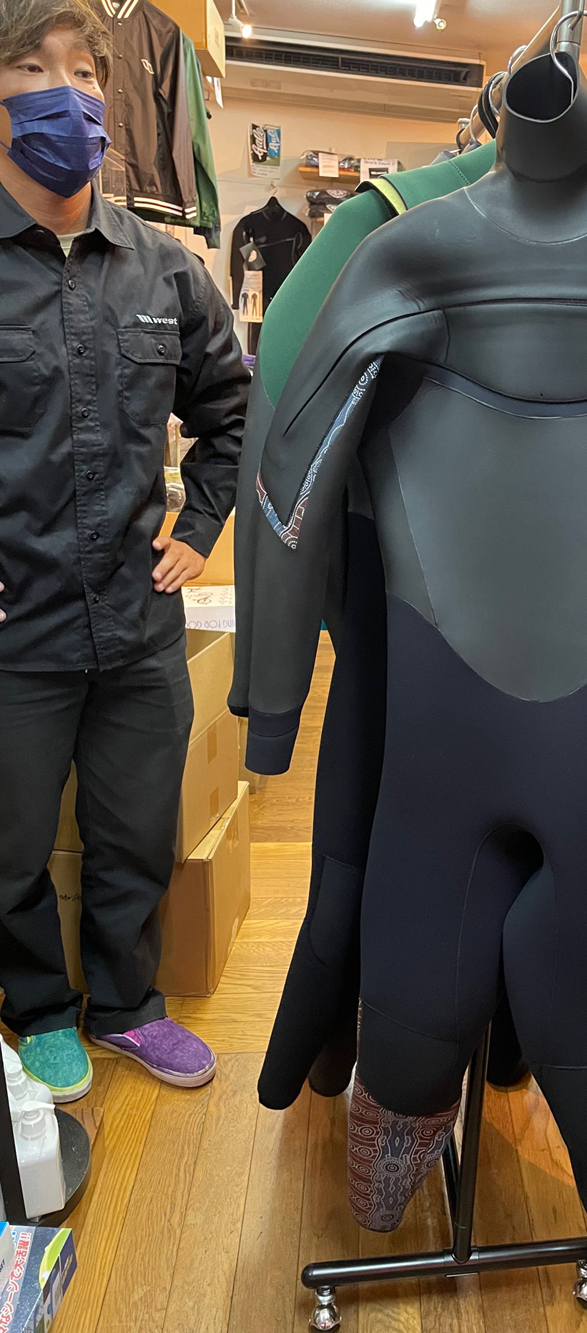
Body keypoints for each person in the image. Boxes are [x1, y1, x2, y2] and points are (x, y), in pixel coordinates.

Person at [0, 0, 249, 1101]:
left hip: (136, 615)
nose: (71, 91)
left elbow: (231, 412)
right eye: (34, 67)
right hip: (17, 623)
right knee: (10, 844)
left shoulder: (167, 269)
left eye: (86, 70)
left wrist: (198, 527)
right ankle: (39, 1009)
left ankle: (127, 1005)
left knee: (137, 828)